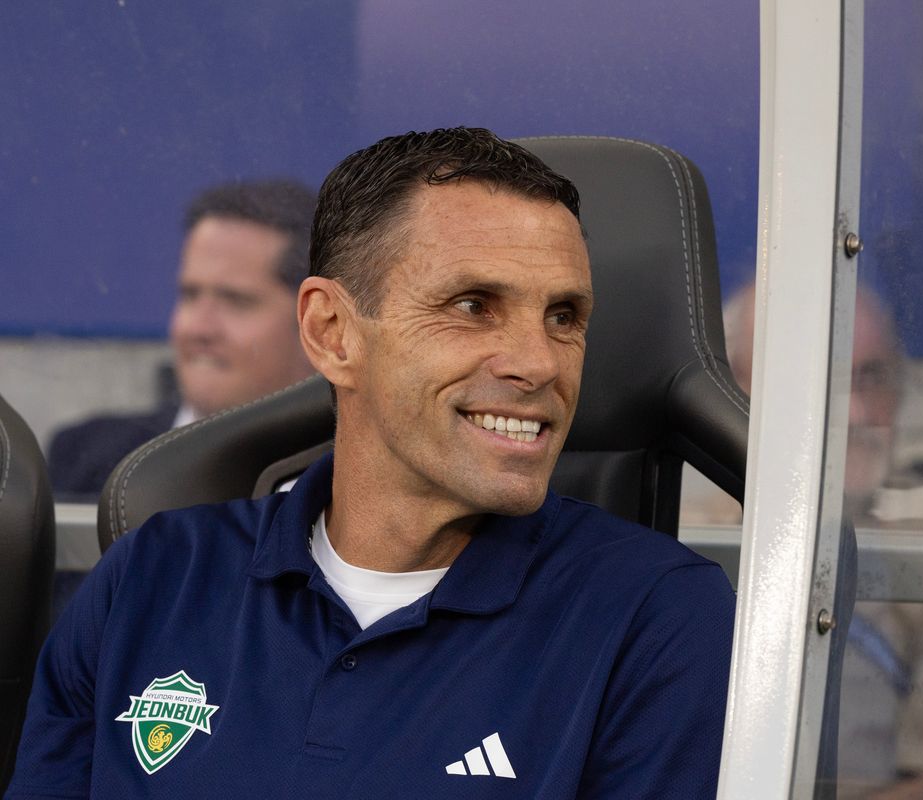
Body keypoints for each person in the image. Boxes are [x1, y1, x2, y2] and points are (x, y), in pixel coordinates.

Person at [7, 128, 736, 799]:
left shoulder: (658, 617)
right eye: (475, 304)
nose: (539, 364)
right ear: (331, 332)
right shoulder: (148, 580)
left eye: (565, 317)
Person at [714, 281, 923, 799]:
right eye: (814, 378)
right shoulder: (684, 533)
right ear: (735, 388)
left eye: (870, 378)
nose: (853, 413)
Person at [47, 180, 317, 501]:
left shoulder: (354, 488)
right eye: (190, 295)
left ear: (315, 322)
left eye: (235, 300)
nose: (198, 329)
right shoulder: (84, 458)